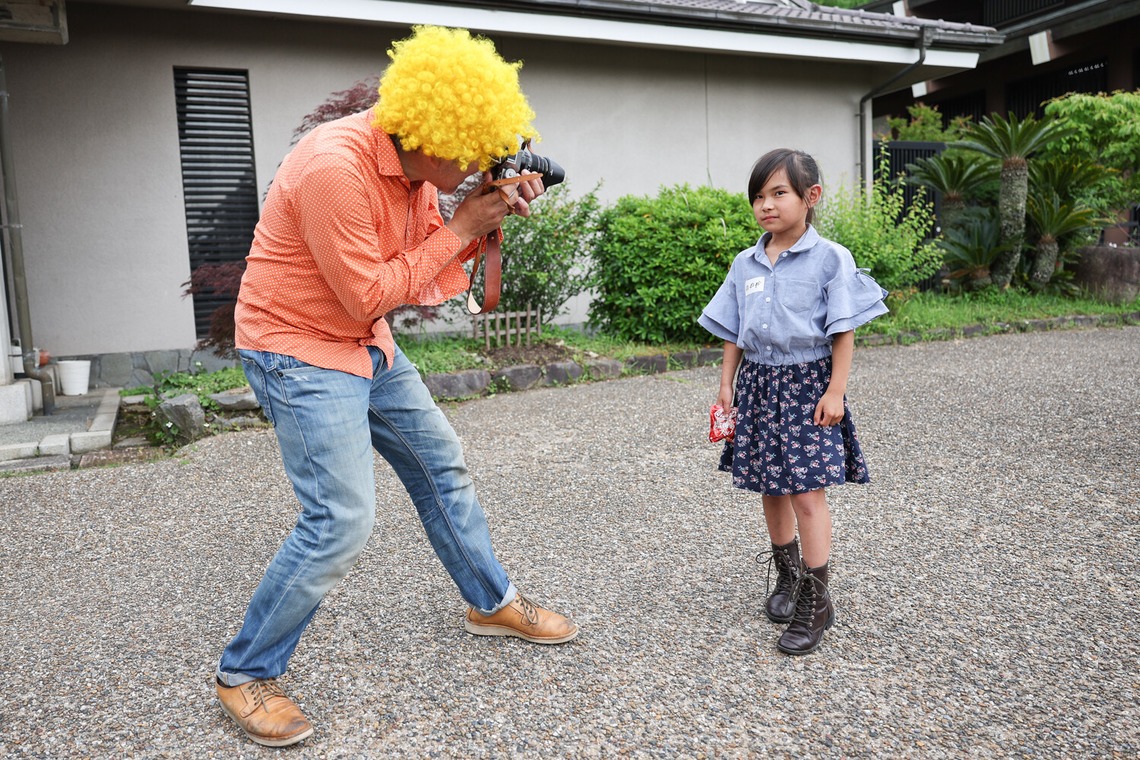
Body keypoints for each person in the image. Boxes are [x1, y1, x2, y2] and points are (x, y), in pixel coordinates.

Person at [213, 26, 579, 748]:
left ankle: (490, 602)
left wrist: (481, 219)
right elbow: (368, 294)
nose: (483, 163)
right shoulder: (332, 168)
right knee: (340, 522)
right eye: (475, 153)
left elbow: (424, 273)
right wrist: (465, 221)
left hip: (364, 343)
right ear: (434, 133)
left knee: (439, 463)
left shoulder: (416, 172)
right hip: (299, 349)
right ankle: (244, 673)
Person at [699, 148, 888, 656]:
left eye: (778, 193)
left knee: (807, 492)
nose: (766, 205)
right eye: (758, 196)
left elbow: (843, 331)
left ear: (811, 197)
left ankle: (816, 599)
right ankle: (786, 577)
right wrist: (725, 386)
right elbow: (733, 332)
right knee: (770, 486)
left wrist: (836, 392)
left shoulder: (831, 258)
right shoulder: (745, 262)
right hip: (758, 385)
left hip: (809, 387)